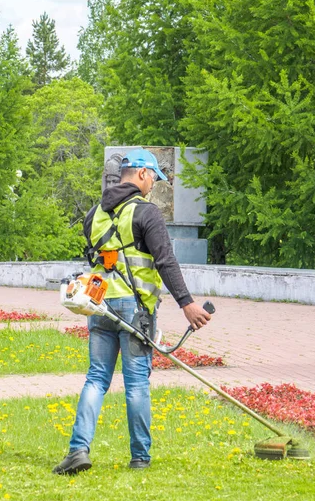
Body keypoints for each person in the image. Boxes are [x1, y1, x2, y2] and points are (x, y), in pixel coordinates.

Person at [53, 148, 211, 475]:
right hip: (136, 310)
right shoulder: (146, 213)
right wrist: (187, 304)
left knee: (97, 378)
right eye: (153, 177)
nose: (153, 184)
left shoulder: (94, 214)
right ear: (141, 174)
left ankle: (78, 450)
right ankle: (140, 458)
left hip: (99, 305)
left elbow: (95, 260)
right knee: (136, 383)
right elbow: (165, 261)